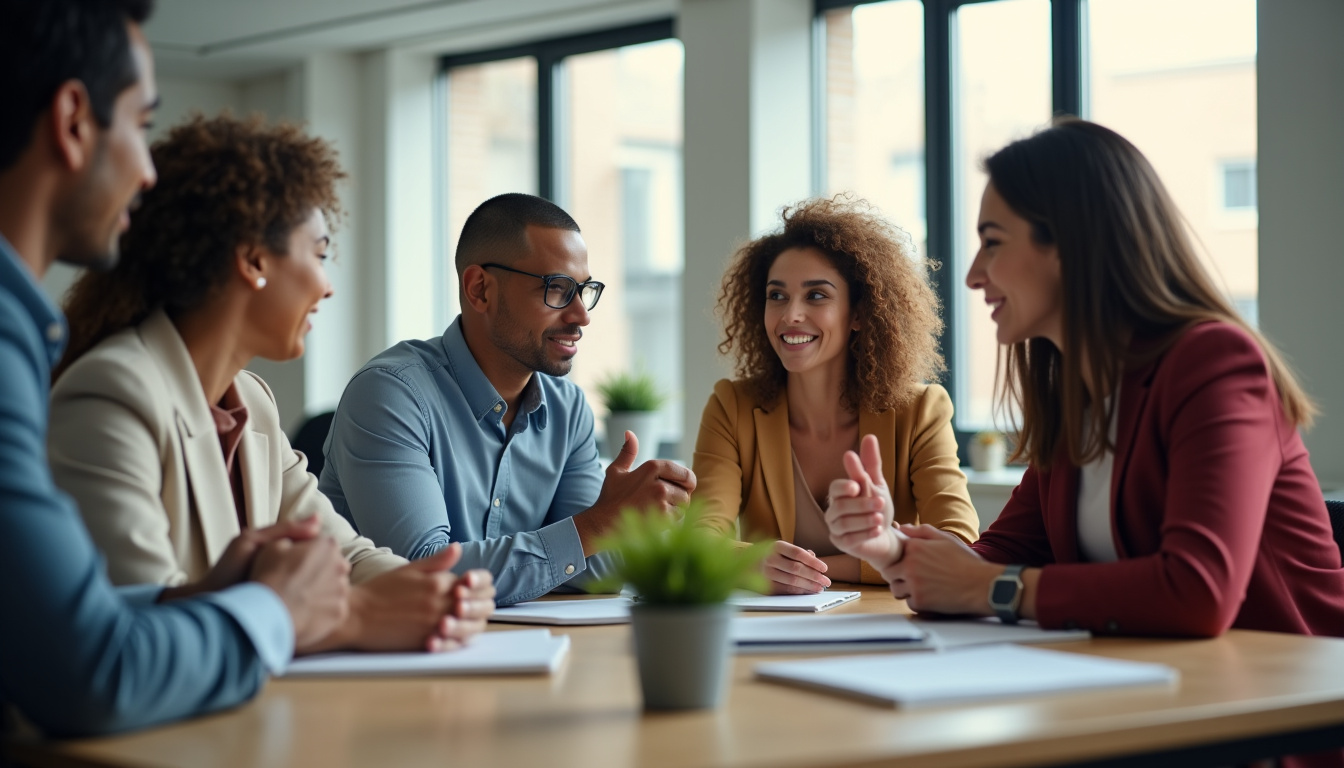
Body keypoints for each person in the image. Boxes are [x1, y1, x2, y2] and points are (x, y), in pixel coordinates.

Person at [826, 118, 1344, 640]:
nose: (973, 275)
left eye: (993, 242)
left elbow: (1198, 591)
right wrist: (891, 548)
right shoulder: (1075, 393)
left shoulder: (1215, 363)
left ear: (1070, 244)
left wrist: (987, 587)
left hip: (1293, 694)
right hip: (1164, 688)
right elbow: (996, 559)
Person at [0, 0, 351, 736]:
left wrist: (196, 600)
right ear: (72, 120)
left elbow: (78, 621)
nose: (148, 169)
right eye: (141, 124)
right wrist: (274, 609)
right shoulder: (84, 375)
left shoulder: (247, 398)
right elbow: (93, 671)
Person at [49, 115, 497, 654]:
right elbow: (143, 631)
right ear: (254, 259)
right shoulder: (111, 394)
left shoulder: (252, 403)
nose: (328, 286)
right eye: (320, 253)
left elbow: (345, 556)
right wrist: (356, 616)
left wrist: (437, 591)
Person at [319, 193, 697, 605]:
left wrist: (637, 525)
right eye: (557, 288)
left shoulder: (568, 411)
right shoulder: (390, 394)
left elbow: (592, 571)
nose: (581, 315)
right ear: (480, 289)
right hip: (387, 660)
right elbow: (420, 572)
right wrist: (599, 525)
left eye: (584, 290)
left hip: (516, 650)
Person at [692, 197, 978, 595]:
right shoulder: (731, 406)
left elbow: (958, 545)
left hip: (884, 629)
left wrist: (805, 570)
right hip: (772, 632)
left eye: (816, 296)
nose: (790, 314)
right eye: (777, 295)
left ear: (859, 313)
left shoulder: (921, 410)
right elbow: (700, 541)